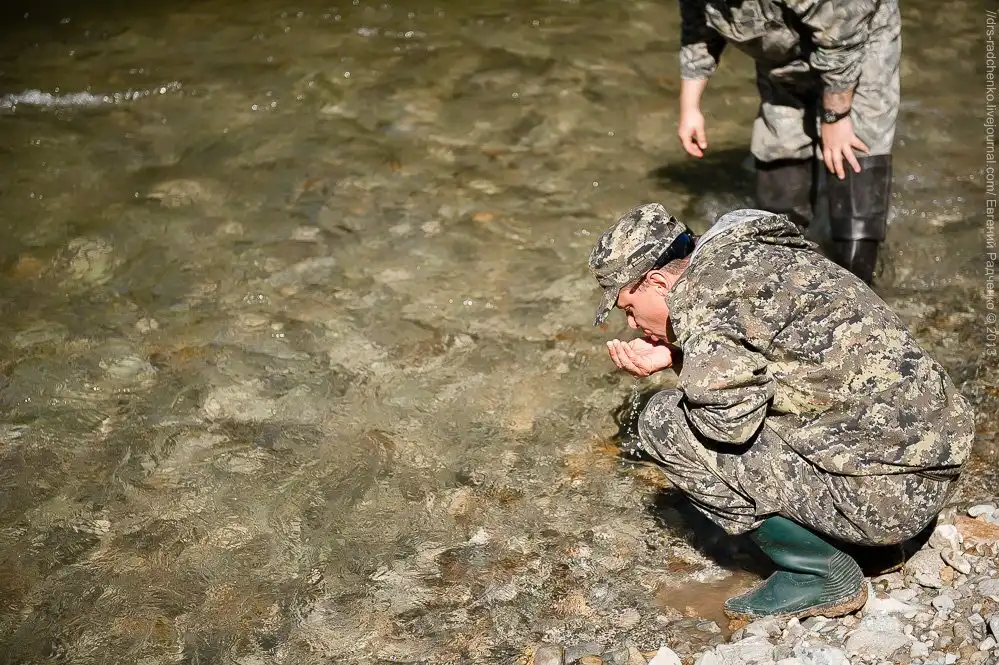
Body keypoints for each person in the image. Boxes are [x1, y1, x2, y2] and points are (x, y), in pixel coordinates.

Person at [588, 203, 973, 620]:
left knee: (663, 422)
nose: (632, 323)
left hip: (890, 505)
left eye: (628, 307)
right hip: (937, 460)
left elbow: (726, 428)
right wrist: (682, 354)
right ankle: (864, 545)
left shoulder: (704, 301)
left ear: (658, 281)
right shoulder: (754, 253)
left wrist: (685, 363)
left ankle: (820, 573)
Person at [675, 0, 900, 285]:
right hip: (780, 58)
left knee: (852, 155)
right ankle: (790, 281)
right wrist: (690, 107)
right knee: (780, 185)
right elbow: (698, 29)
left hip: (855, 41)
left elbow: (841, 35)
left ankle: (859, 284)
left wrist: (835, 116)